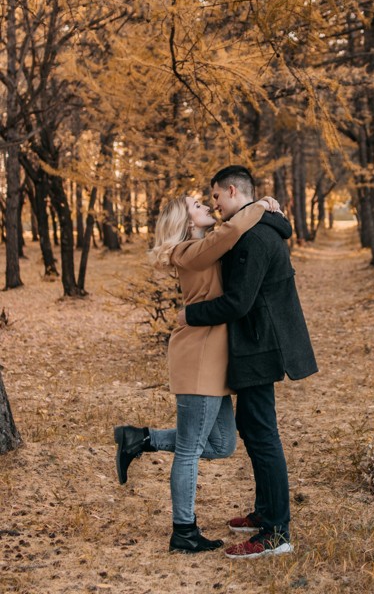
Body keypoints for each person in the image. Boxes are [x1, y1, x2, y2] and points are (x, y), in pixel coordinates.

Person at [114, 192, 281, 554]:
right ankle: (184, 530)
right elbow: (230, 232)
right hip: (198, 355)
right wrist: (259, 205)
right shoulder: (187, 251)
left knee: (222, 444)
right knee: (190, 450)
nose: (207, 207)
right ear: (187, 221)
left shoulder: (201, 246)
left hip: (213, 356)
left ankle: (141, 439)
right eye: (198, 206)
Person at [178, 165, 318, 559]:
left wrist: (190, 315)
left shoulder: (253, 237)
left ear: (233, 191)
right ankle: (265, 512)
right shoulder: (255, 225)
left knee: (262, 433)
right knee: (253, 427)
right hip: (257, 342)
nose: (215, 204)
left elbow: (238, 301)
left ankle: (276, 533)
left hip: (260, 344)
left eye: (218, 197)